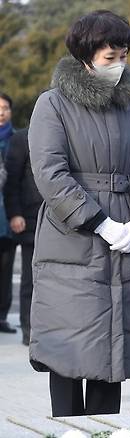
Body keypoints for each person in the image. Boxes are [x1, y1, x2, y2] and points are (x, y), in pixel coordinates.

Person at [27, 10, 130, 417]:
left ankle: (107, 427)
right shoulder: (51, 104)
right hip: (72, 236)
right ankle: (67, 427)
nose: (119, 64)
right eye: (110, 56)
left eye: (124, 55)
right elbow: (50, 173)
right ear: (86, 55)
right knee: (69, 343)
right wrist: (99, 222)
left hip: (125, 230)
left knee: (114, 347)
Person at [4, 127, 42, 346]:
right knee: (30, 279)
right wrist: (15, 213)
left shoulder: (66, 132)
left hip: (60, 219)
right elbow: (12, 182)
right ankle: (29, 328)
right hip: (29, 218)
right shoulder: (22, 139)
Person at [0, 92, 15, 335]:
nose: (0, 112)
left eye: (4, 108)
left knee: (5, 268)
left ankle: (2, 316)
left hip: (9, 214)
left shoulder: (18, 139)